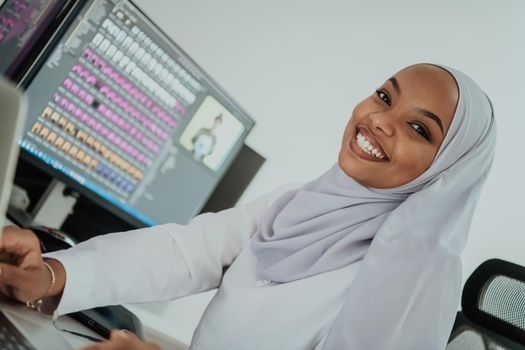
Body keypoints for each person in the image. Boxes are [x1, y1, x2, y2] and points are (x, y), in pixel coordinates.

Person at [0, 63, 496, 350]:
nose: (380, 120)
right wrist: (54, 273)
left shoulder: (410, 284)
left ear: (447, 173)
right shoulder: (301, 201)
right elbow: (188, 251)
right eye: (385, 96)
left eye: (420, 129)